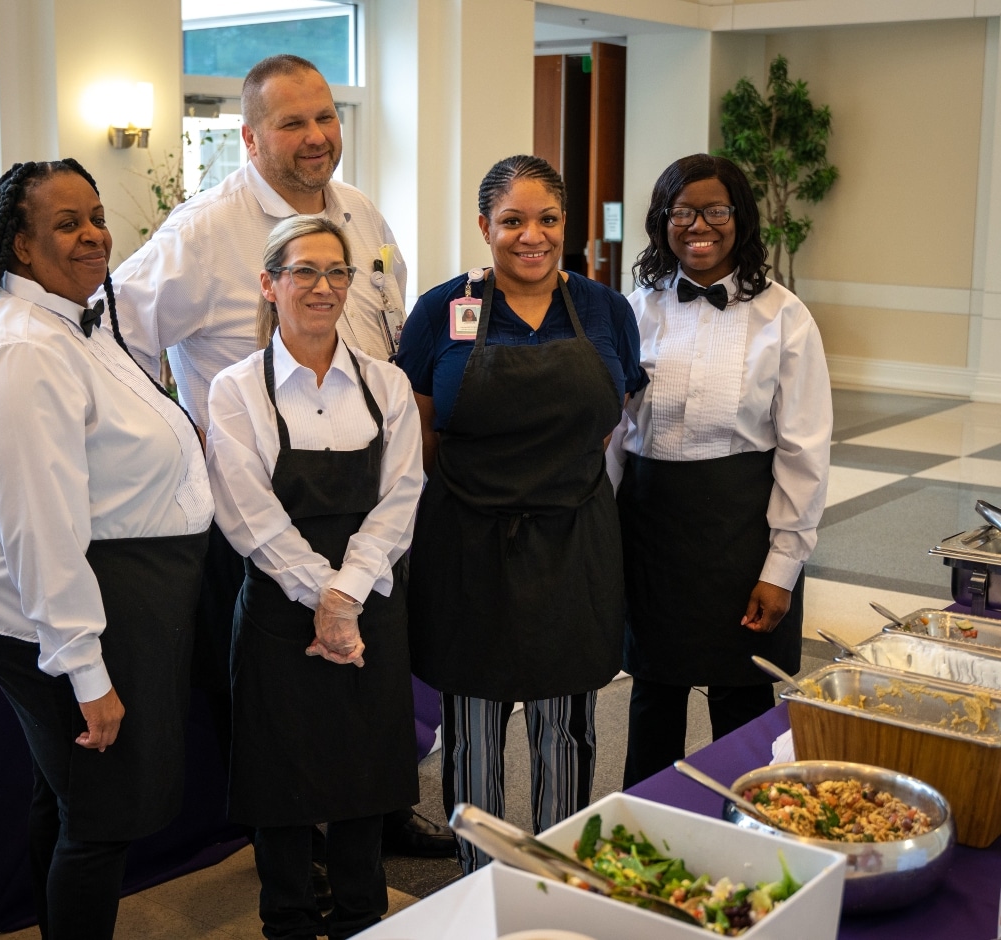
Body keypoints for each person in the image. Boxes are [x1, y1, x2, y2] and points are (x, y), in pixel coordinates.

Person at [109, 53, 452, 861]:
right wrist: (173, 431)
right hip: (261, 507)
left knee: (374, 679)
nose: (315, 137)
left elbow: (387, 321)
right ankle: (290, 861)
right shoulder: (204, 229)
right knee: (274, 701)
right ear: (250, 137)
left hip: (366, 492)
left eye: (325, 117)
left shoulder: (361, 212)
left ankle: (381, 817)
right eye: (292, 123)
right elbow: (113, 334)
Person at [0, 160, 213, 940]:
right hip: (35, 612)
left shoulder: (76, 318)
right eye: (65, 223)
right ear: (19, 246)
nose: (92, 234)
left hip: (113, 587)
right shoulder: (25, 352)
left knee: (69, 799)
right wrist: (87, 672)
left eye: (95, 216)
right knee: (102, 815)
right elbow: (40, 529)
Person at [396, 155, 645, 874]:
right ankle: (479, 884)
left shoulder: (604, 309)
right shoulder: (444, 308)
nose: (530, 236)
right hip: (469, 540)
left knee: (565, 728)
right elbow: (422, 435)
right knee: (472, 730)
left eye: (547, 220)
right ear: (484, 226)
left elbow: (607, 418)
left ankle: (558, 881)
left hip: (573, 540)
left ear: (566, 224)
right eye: (512, 221)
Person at [207, 216, 423, 939]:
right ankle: (289, 921)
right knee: (283, 784)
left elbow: (401, 500)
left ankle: (365, 916)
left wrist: (347, 594)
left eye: (338, 272)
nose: (324, 287)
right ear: (270, 284)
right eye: (304, 271)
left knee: (366, 777)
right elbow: (247, 513)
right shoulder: (236, 391)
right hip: (277, 607)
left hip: (371, 603)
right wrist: (321, 596)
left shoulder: (388, 386)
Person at [615, 153, 832, 789]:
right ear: (662, 222)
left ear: (739, 219)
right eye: (682, 212)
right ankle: (643, 823)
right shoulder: (636, 310)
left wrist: (782, 567)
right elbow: (614, 437)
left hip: (743, 529)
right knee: (653, 692)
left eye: (715, 210)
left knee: (742, 697)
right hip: (651, 529)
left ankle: (748, 824)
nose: (698, 225)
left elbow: (804, 452)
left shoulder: (784, 316)